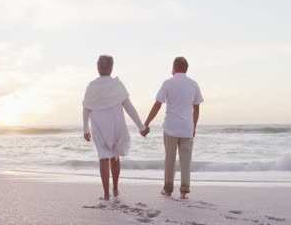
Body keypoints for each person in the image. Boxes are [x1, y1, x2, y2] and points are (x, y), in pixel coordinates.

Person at [82, 55, 149, 201]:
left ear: (98, 67)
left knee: (103, 157)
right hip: (116, 124)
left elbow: (86, 109)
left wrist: (85, 128)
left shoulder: (91, 86)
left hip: (99, 125)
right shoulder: (117, 85)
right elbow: (129, 107)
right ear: (111, 68)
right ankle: (116, 188)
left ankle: (106, 194)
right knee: (115, 155)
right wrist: (141, 126)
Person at [143, 57, 203, 199]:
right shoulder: (193, 84)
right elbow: (196, 109)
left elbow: (157, 105)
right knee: (186, 160)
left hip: (171, 127)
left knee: (170, 159)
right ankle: (184, 191)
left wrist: (146, 123)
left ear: (174, 68)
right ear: (186, 69)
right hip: (187, 128)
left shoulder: (168, 83)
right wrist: (193, 127)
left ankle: (168, 189)